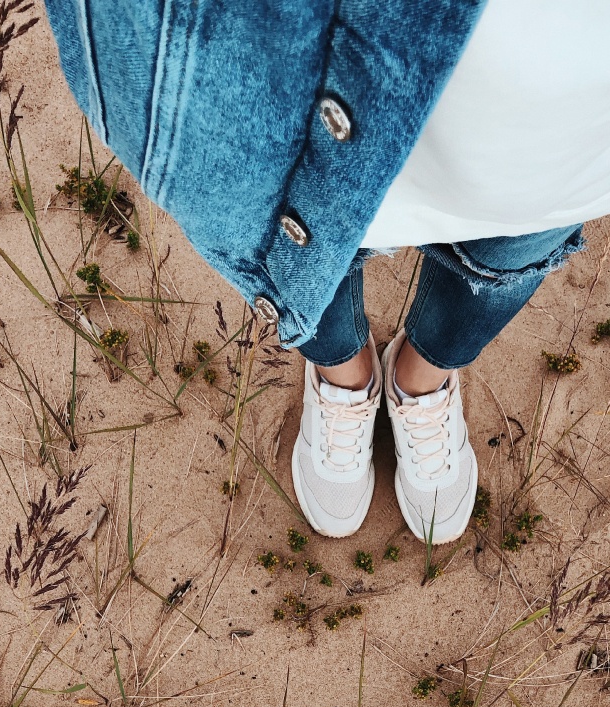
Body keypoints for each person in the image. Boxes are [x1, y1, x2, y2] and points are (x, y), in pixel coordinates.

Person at [44, 0, 610, 542]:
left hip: (563, 83)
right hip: (291, 40)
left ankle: (420, 377)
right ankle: (345, 375)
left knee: (515, 232)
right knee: (298, 216)